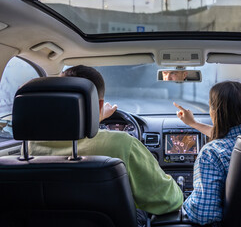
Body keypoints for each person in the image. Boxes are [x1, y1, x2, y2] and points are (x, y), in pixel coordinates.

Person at [29, 65, 183, 225]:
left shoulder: (29, 148)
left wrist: (97, 118)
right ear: (100, 105)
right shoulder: (122, 143)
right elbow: (169, 201)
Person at [174, 81, 241, 226]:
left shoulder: (211, 154)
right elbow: (235, 134)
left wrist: (185, 200)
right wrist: (194, 124)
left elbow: (204, 216)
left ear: (214, 111)